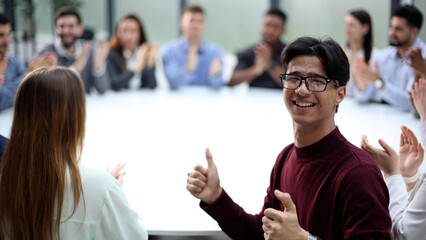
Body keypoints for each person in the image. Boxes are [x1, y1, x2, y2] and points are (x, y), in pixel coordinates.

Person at [187, 37, 392, 240]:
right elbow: (263, 233)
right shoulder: (286, 157)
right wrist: (216, 197)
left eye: (316, 82)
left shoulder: (359, 174)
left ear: (340, 94)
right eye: (294, 78)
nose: (302, 90)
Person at [0, 67, 148, 239]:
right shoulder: (101, 188)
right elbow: (136, 236)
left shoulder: (6, 178)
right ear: (76, 118)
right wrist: (109, 193)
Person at [351, 5, 426, 111]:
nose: (391, 32)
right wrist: (363, 87)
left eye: (398, 29)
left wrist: (379, 83)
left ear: (414, 31)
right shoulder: (384, 56)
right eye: (391, 27)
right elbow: (362, 97)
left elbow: (410, 103)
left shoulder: (422, 59)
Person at [38, 6, 110, 94]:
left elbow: (103, 89)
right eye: (61, 26)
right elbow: (48, 92)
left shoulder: (89, 51)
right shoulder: (46, 53)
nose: (66, 31)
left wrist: (98, 68)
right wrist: (75, 69)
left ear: (80, 29)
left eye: (71, 26)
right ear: (56, 28)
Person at [161, 5, 224, 90]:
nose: (195, 25)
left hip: (208, 102)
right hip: (178, 101)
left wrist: (215, 75)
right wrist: (188, 69)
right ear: (181, 23)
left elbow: (219, 87)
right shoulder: (170, 51)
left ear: (205, 25)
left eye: (200, 21)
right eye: (191, 21)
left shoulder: (215, 52)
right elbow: (173, 85)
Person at [228, 9, 286, 89]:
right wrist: (255, 70)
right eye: (267, 25)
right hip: (253, 100)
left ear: (283, 30)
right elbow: (231, 82)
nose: (270, 31)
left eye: (275, 27)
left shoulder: (290, 53)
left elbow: (293, 84)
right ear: (261, 26)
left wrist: (269, 64)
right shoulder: (249, 52)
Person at [107, 14, 158, 91]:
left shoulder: (145, 51)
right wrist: (135, 70)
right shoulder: (113, 53)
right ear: (117, 33)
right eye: (124, 31)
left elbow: (152, 86)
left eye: (132, 31)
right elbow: (114, 84)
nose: (128, 36)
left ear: (140, 33)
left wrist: (150, 63)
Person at [343, 9, 379, 96]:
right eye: (345, 24)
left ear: (365, 28)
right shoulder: (342, 52)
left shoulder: (375, 56)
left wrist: (351, 64)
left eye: (351, 25)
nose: (347, 29)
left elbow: (368, 93)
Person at [0, 13, 27, 111]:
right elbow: (3, 103)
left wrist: (32, 72)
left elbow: (27, 93)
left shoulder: (13, 59)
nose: (6, 41)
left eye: (8, 34)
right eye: (1, 35)